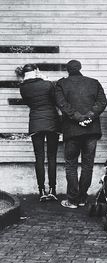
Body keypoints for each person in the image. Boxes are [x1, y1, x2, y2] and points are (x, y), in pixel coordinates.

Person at [55, 60, 107, 209]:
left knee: (71, 165)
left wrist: (78, 118)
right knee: (87, 165)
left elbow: (62, 104)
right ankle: (83, 198)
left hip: (72, 131)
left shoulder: (61, 84)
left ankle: (72, 200)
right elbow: (102, 102)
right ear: (80, 68)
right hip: (91, 130)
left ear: (67, 70)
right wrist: (89, 116)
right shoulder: (94, 82)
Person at [17, 64, 61, 202]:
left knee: (39, 157)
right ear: (36, 71)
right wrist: (45, 78)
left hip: (35, 122)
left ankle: (41, 190)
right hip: (52, 122)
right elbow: (56, 99)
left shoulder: (23, 88)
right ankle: (53, 189)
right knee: (52, 156)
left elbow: (29, 103)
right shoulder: (47, 84)